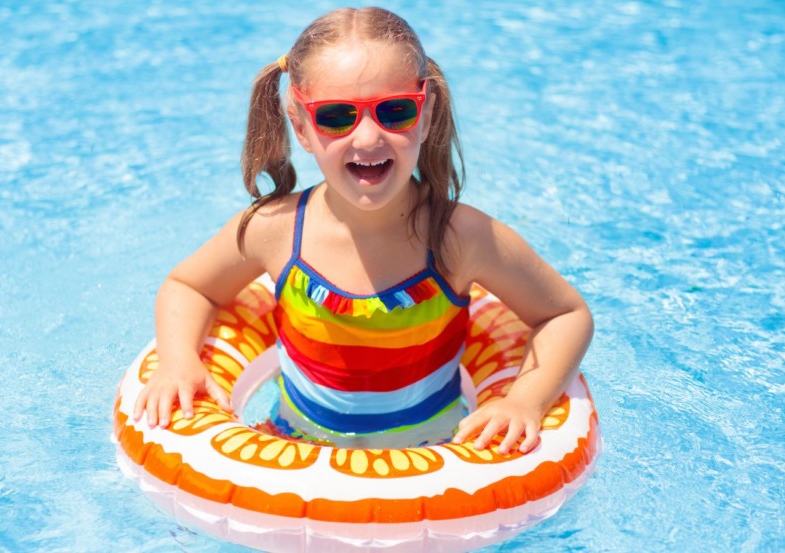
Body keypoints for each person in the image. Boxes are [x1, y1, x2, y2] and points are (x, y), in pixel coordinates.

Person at [132, 7, 593, 455]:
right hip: (294, 442)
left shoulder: (458, 238)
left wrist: (523, 400)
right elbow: (188, 285)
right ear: (301, 127)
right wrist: (178, 360)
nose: (369, 138)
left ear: (427, 112)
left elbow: (564, 315)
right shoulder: (275, 230)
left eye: (394, 111)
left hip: (436, 458)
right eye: (336, 116)